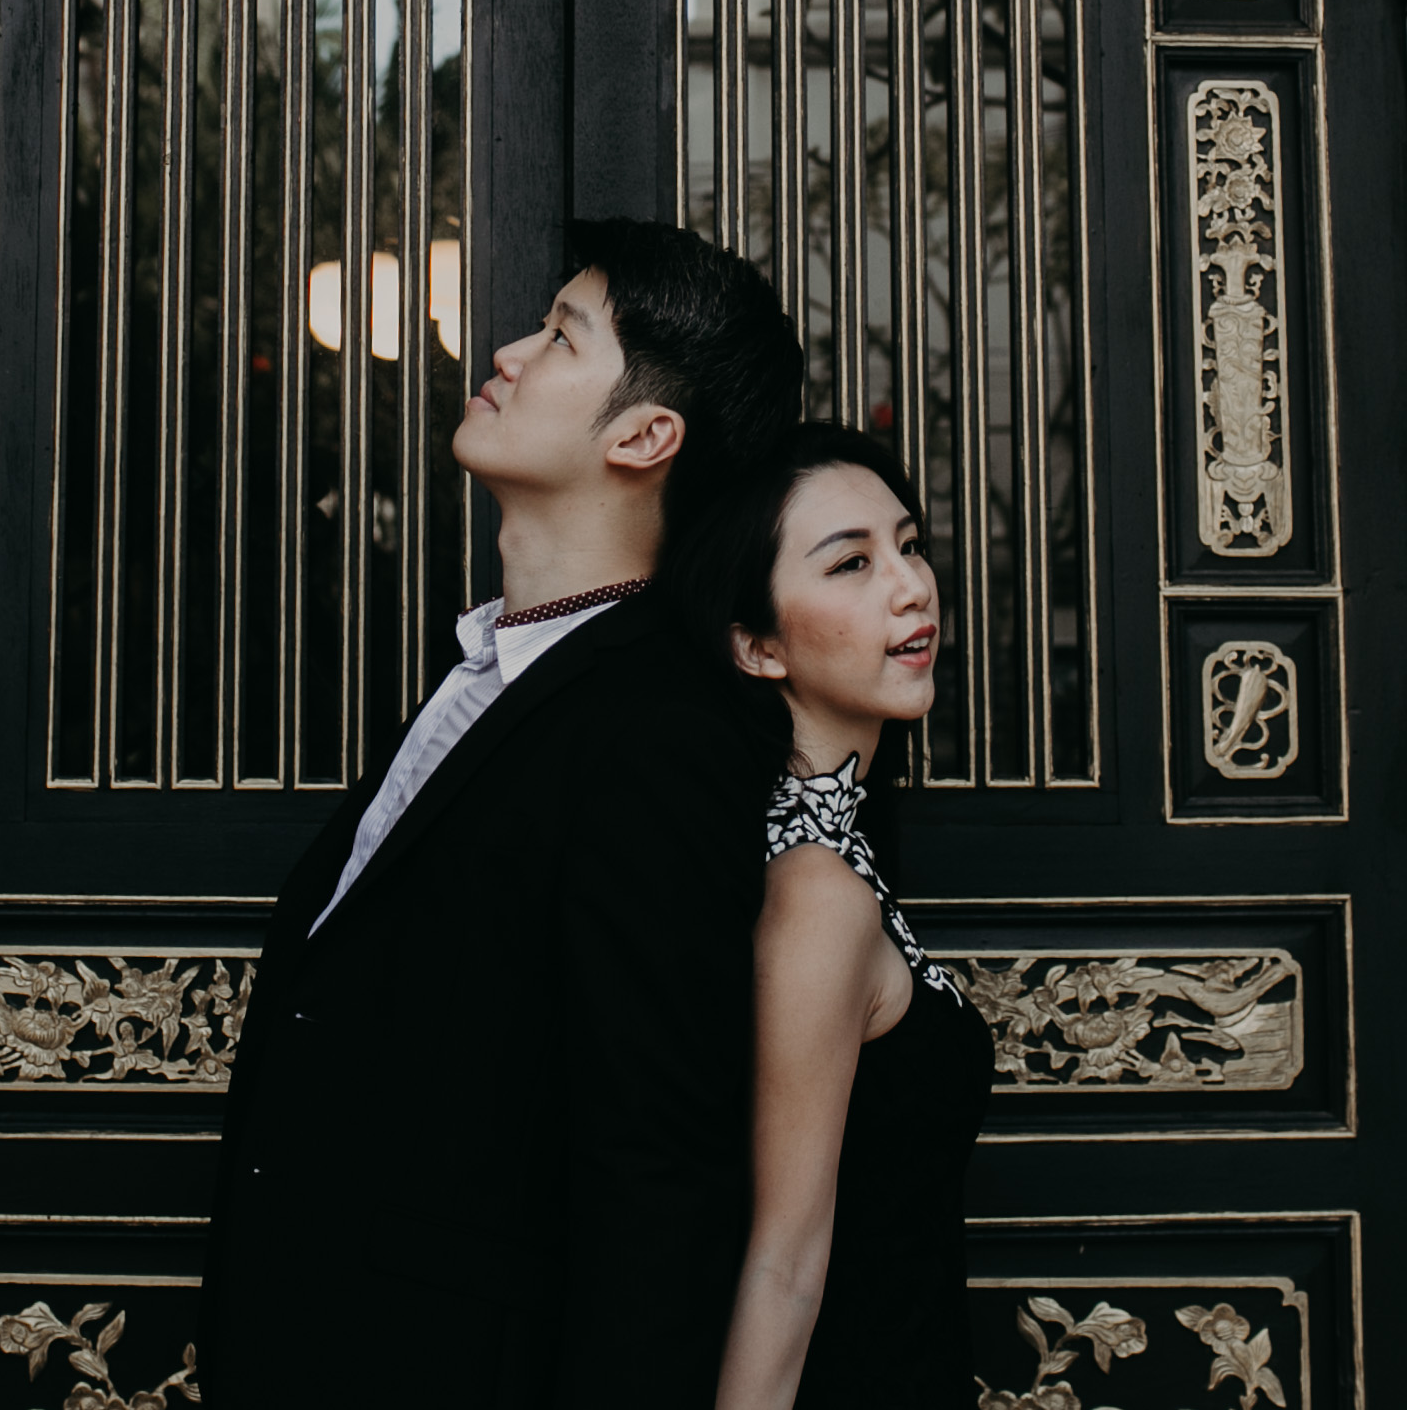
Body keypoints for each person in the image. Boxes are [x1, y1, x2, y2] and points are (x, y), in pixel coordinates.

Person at [200, 220, 804, 1410]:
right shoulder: (489, 673)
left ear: (643, 436)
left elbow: (656, 1168)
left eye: (561, 335)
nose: (507, 351)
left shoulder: (664, 730)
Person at [688, 425, 996, 1410]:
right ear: (757, 644)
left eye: (909, 545)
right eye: (851, 563)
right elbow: (782, 1264)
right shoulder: (814, 887)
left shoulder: (827, 847)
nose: (912, 587)